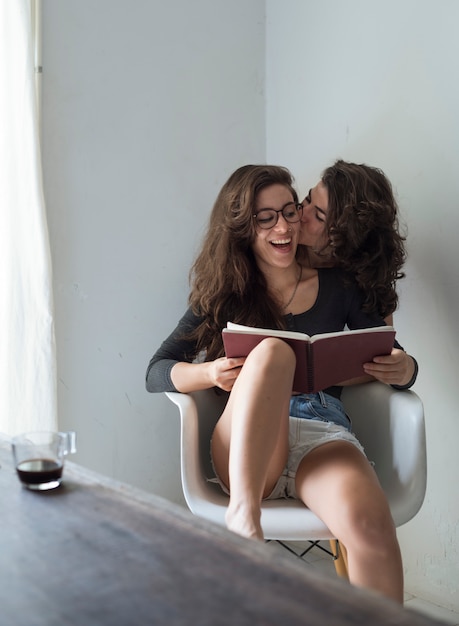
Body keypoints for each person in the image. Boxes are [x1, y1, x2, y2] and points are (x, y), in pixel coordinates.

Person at [146, 164, 417, 603]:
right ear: (242, 228)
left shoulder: (340, 285)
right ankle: (245, 521)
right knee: (272, 352)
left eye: (291, 211)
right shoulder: (224, 290)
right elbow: (157, 370)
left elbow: (390, 352)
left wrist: (407, 370)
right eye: (265, 217)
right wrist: (210, 373)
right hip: (249, 443)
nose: (285, 225)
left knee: (370, 525)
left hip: (321, 432)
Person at [297, 159, 417, 387]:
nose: (302, 213)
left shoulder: (359, 282)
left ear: (347, 235)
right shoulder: (278, 249)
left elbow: (382, 356)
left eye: (320, 216)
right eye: (308, 198)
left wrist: (407, 368)